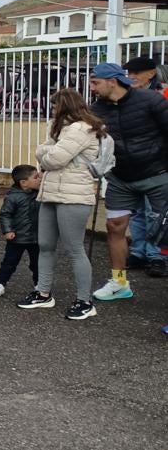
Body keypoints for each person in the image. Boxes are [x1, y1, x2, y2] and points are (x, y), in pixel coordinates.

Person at [16, 89, 103, 320]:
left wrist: (46, 153)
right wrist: (46, 152)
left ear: (64, 106)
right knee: (45, 245)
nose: (52, 109)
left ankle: (85, 300)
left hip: (74, 196)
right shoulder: (60, 128)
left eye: (55, 105)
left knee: (74, 248)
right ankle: (43, 292)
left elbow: (53, 158)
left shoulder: (81, 128)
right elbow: (45, 154)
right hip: (51, 193)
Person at [87, 62, 168, 303]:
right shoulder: (96, 109)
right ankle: (119, 282)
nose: (92, 88)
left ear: (112, 81)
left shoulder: (150, 100)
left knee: (165, 232)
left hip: (157, 174)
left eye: (95, 82)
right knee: (115, 227)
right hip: (120, 178)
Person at [121, 56, 166, 276]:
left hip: (156, 164)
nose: (131, 77)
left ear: (151, 73)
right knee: (137, 212)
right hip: (132, 164)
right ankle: (138, 252)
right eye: (129, 73)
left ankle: (156, 255)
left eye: (136, 73)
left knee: (154, 212)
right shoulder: (126, 96)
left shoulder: (163, 95)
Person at [0, 165, 41, 299]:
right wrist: (7, 230)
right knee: (9, 262)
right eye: (36, 177)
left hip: (36, 238)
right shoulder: (13, 197)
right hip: (17, 237)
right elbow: (5, 214)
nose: (40, 179)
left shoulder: (39, 194)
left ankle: (39, 285)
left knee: (37, 263)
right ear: (23, 183)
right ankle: (0, 283)